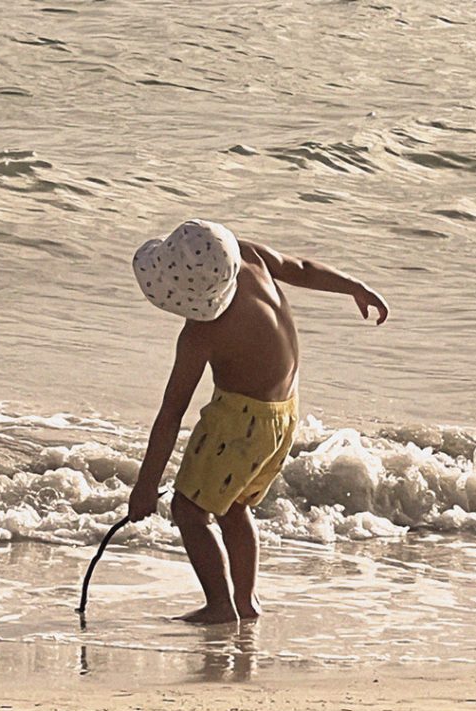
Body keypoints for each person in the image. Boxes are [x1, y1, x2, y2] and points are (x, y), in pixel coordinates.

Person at [127, 219, 389, 624]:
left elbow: (171, 412)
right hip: (283, 415)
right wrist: (354, 286)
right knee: (234, 507)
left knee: (189, 510)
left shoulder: (201, 333)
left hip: (238, 421)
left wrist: (145, 487)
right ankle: (246, 601)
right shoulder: (249, 256)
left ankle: (219, 605)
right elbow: (300, 267)